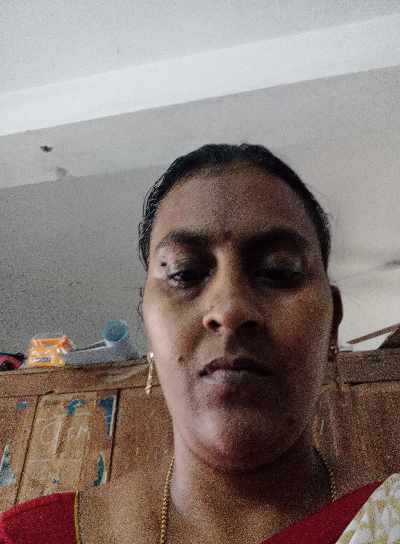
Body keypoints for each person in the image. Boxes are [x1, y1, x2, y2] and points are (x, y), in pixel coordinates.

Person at [1, 143, 399, 543]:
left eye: (279, 271)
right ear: (148, 324)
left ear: (332, 324)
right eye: (184, 272)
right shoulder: (31, 538)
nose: (229, 309)